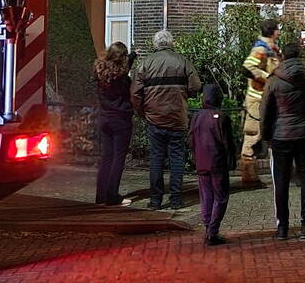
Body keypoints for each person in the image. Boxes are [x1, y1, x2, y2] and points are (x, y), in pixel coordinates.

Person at [261, 34, 305, 240]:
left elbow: (266, 111)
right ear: (300, 56)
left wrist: (266, 137)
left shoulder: (273, 80)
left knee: (280, 182)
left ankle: (283, 227)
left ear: (283, 57)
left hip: (281, 136)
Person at [131, 30, 202, 210]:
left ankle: (155, 200)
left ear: (155, 44)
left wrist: (143, 112)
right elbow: (195, 86)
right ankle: (176, 199)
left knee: (156, 158)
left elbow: (135, 93)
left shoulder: (145, 63)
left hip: (154, 118)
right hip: (177, 118)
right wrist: (184, 95)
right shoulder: (182, 61)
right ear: (171, 43)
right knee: (177, 159)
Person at [190, 82, 237, 246]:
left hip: (201, 162)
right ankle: (213, 231)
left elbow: (191, 139)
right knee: (221, 197)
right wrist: (231, 160)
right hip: (218, 163)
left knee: (206, 196)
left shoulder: (196, 116)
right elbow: (228, 142)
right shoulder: (221, 118)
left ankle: (208, 227)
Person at [240, 19, 281, 188]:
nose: (279, 32)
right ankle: (249, 177)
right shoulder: (261, 49)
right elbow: (248, 67)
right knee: (253, 136)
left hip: (267, 98)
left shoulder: (271, 48)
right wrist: (267, 79)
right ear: (273, 32)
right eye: (278, 30)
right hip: (257, 99)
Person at [94, 42, 134, 206]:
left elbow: (121, 71)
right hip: (121, 119)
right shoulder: (123, 79)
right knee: (118, 157)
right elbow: (124, 77)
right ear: (122, 58)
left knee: (106, 158)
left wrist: (130, 58)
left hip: (104, 118)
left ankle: (100, 195)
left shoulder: (100, 73)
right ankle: (112, 196)